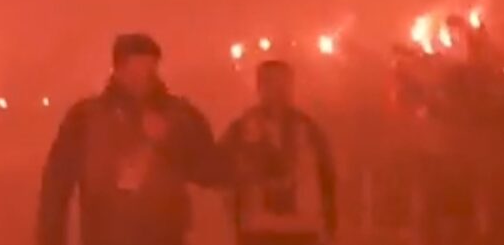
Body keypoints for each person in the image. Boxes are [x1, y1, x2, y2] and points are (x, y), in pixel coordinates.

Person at [37, 33, 214, 245]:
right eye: (135, 68)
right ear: (118, 69)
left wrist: (171, 139)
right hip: (105, 237)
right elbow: (56, 186)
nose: (144, 77)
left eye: (150, 69)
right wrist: (51, 239)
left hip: (166, 237)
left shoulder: (178, 114)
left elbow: (209, 170)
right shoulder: (85, 117)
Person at [219, 60, 336, 245]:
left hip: (301, 229)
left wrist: (330, 223)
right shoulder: (241, 129)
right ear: (260, 87)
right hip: (257, 230)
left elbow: (327, 177)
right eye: (271, 82)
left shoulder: (308, 129)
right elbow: (223, 174)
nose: (278, 89)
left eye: (284, 82)